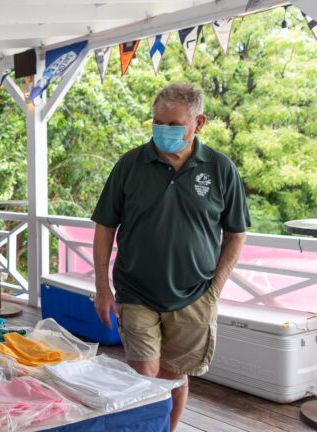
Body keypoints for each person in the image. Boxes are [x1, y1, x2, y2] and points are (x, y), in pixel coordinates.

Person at [91, 82, 249, 431]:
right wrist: (102, 287)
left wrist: (216, 287)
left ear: (199, 123)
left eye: (173, 125)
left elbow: (236, 234)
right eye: (157, 123)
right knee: (145, 374)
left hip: (194, 294)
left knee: (174, 377)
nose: (162, 131)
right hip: (136, 292)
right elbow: (104, 227)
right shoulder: (129, 165)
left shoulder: (221, 169)